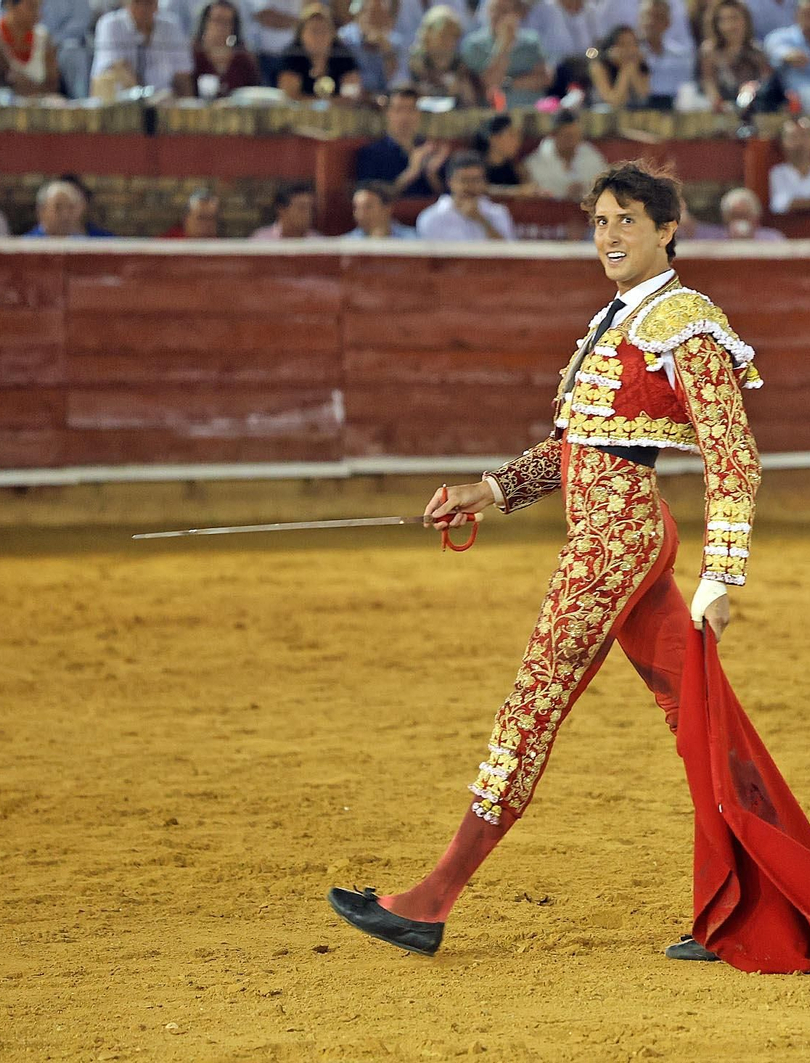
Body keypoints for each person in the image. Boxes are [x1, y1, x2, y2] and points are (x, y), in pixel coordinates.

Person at [327, 159, 765, 964]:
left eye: (626, 220)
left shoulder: (683, 318)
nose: (608, 235)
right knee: (697, 714)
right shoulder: (621, 317)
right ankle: (745, 907)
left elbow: (731, 452)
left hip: (614, 541)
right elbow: (576, 447)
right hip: (616, 533)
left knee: (534, 701)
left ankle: (430, 900)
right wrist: (487, 489)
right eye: (599, 221)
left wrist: (722, 573)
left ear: (667, 229)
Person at [355, 86, 448, 198]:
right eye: (398, 110)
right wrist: (411, 172)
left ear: (419, 113)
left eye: (411, 110)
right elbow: (370, 199)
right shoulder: (371, 153)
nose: (405, 117)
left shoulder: (431, 149)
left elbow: (448, 199)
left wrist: (431, 173)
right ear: (387, 113)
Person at [91, 0, 194, 95]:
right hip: (123, 105)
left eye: (148, 2)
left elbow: (183, 76)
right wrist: (146, 99)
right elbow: (117, 68)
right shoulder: (110, 24)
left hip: (166, 103)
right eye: (137, 2)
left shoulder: (172, 26)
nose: (143, 8)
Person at [461, 0, 550, 106]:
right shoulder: (474, 44)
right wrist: (503, 47)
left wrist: (509, 83)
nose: (496, 16)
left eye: (504, 11)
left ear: (518, 14)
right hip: (493, 117)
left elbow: (544, 79)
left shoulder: (531, 41)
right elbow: (489, 83)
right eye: (493, 10)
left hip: (530, 113)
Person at [414, 150, 517, 239]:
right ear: (450, 182)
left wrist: (482, 221)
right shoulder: (431, 218)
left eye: (476, 180)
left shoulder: (498, 213)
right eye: (464, 180)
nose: (470, 186)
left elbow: (509, 254)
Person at [0, 0, 62, 95]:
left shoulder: (44, 37)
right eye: (31, 6)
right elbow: (7, 76)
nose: (38, 14)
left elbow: (52, 86)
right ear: (10, 4)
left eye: (39, 7)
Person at [278, 3, 363, 99]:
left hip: (338, 112)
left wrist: (327, 106)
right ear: (301, 34)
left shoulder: (343, 56)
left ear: (332, 34)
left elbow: (351, 96)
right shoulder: (292, 56)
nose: (319, 37)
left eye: (324, 30)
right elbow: (290, 95)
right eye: (314, 31)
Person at [698, 0, 770, 108]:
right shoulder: (710, 52)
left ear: (745, 20)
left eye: (734, 18)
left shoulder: (757, 51)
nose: (729, 26)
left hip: (754, 106)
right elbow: (708, 82)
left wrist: (753, 88)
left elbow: (767, 80)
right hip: (722, 108)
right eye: (722, 20)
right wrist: (719, 103)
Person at [524, 108, 608, 200]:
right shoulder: (535, 163)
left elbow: (603, 186)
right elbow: (538, 193)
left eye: (576, 135)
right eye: (567, 136)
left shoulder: (591, 155)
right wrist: (564, 192)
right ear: (553, 135)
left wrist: (585, 190)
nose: (572, 141)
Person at [407, 3, 481, 103]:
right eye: (443, 35)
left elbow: (471, 101)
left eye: (453, 36)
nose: (448, 42)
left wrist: (460, 89)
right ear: (428, 35)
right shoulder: (414, 64)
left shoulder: (461, 66)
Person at [191, 0, 261, 95]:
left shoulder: (243, 60)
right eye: (217, 20)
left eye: (227, 22)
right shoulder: (192, 57)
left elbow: (254, 93)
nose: (221, 27)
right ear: (205, 22)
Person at [339, 0, 403, 93]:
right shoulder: (344, 39)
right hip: (355, 100)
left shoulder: (395, 43)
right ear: (359, 15)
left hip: (385, 100)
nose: (375, 20)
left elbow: (397, 83)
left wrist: (387, 51)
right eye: (372, 13)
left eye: (380, 14)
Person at [637, 0, 691, 107]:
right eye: (647, 16)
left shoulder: (681, 55)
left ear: (668, 22)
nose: (651, 22)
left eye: (657, 17)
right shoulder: (632, 55)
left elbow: (685, 91)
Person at [473, 112, 536, 196]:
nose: (518, 141)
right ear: (494, 139)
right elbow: (479, 188)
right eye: (512, 135)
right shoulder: (476, 166)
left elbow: (529, 187)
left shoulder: (517, 167)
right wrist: (515, 191)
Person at [588, 23, 651, 105]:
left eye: (632, 44)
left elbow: (643, 96)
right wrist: (625, 70)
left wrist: (632, 70)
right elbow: (614, 100)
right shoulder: (598, 66)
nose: (628, 50)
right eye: (622, 44)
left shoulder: (640, 65)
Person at [250, 181, 324, 237]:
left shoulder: (319, 244)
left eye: (311, 208)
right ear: (282, 210)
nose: (308, 213)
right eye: (302, 208)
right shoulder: (261, 240)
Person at [346, 180, 418, 236]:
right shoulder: (346, 244)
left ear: (387, 208)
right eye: (356, 208)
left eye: (368, 207)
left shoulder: (413, 239)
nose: (360, 214)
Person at [22, 179, 89, 237]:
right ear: (42, 211)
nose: (65, 215)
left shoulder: (84, 245)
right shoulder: (25, 245)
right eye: (58, 207)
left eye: (70, 208)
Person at [718, 185, 787, 236]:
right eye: (735, 215)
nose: (740, 219)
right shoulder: (715, 238)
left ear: (756, 217)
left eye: (745, 215)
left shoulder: (772, 238)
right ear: (725, 217)